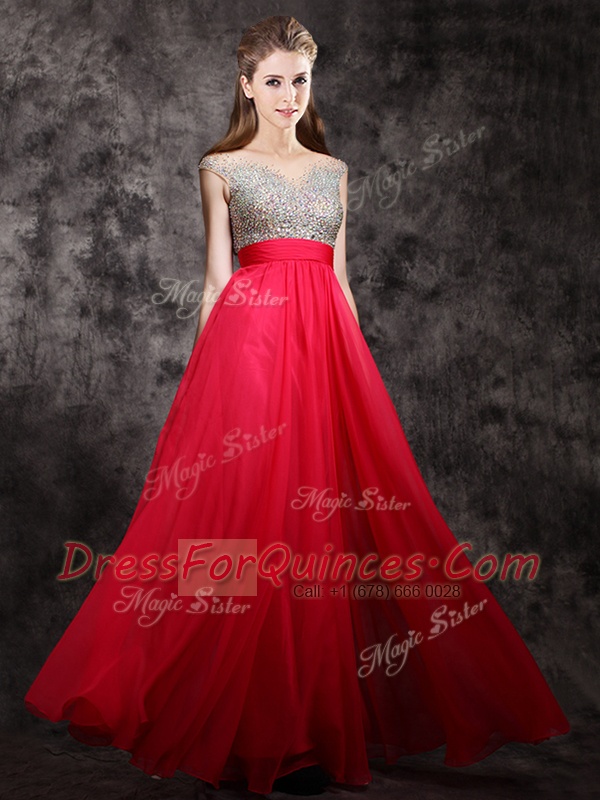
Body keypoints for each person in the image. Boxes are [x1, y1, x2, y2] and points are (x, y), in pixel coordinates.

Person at [24, 15, 570, 797]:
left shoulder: (333, 170)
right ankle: (231, 728)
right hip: (248, 351)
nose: (289, 94)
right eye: (274, 80)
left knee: (324, 534)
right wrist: (203, 384)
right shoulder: (221, 167)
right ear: (247, 85)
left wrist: (356, 373)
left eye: (300, 80)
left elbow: (340, 281)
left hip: (326, 355)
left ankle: (308, 732)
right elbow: (216, 281)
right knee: (242, 528)